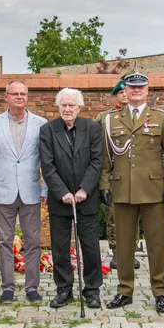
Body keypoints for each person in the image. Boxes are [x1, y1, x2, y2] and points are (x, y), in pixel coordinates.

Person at [100, 71, 164, 312]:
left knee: (157, 244)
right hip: (122, 188)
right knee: (124, 244)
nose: (135, 91)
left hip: (154, 190)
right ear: (125, 90)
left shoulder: (161, 118)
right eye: (131, 87)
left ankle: (160, 292)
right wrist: (104, 184)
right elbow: (106, 157)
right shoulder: (111, 119)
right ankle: (125, 290)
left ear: (147, 91)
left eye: (140, 87)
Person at [0, 80, 48, 303]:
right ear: (6, 97)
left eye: (23, 93)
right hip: (2, 189)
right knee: (4, 241)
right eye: (15, 93)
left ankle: (32, 287)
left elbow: (47, 160)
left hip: (30, 190)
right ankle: (7, 287)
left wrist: (45, 187)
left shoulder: (41, 123)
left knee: (32, 241)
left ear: (27, 96)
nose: (19, 97)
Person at [39, 88, 104, 309]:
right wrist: (62, 192)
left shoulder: (93, 128)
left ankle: (92, 290)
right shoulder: (47, 130)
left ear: (79, 107)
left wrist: (84, 189)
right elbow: (47, 166)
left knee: (91, 247)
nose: (67, 109)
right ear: (58, 107)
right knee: (59, 248)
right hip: (60, 200)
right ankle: (64, 289)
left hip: (87, 199)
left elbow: (97, 161)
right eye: (64, 105)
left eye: (72, 105)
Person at [94, 80, 140, 270]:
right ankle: (116, 252)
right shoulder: (104, 117)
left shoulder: (141, 115)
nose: (123, 94)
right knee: (113, 214)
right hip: (113, 174)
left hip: (136, 174)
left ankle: (131, 251)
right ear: (115, 96)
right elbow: (96, 145)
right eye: (119, 92)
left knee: (135, 214)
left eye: (125, 91)